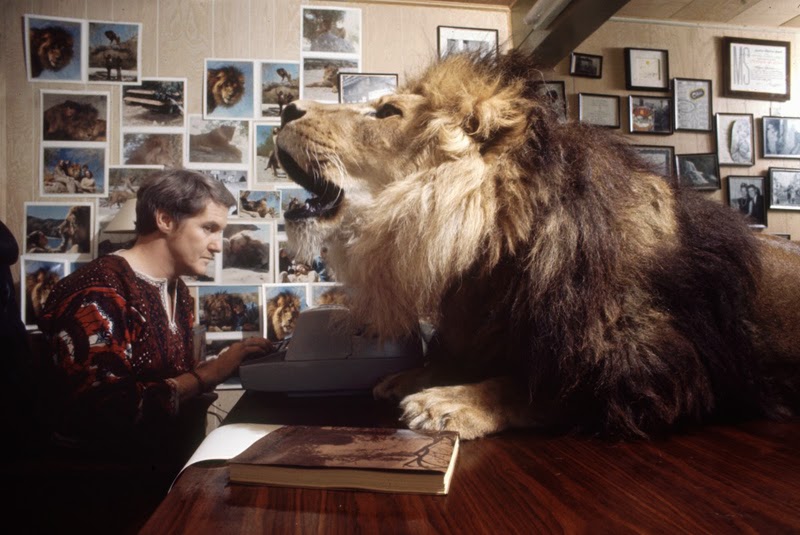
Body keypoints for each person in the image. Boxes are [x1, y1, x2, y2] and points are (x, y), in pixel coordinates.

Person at [35, 169, 272, 530]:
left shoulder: (180, 291)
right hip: (107, 494)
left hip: (166, 475)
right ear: (165, 220)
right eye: (209, 228)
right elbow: (108, 409)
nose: (218, 246)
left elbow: (169, 380)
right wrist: (209, 374)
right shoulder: (98, 289)